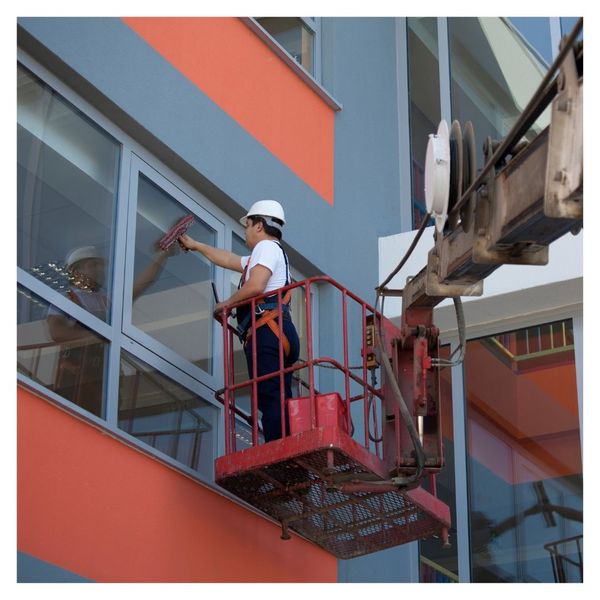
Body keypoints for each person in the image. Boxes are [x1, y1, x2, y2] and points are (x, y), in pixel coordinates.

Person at [178, 199, 300, 442]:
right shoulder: (269, 253)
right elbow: (229, 259)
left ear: (259, 225)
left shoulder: (265, 248)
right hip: (278, 329)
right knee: (279, 396)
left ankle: (280, 453)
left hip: (268, 330)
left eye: (247, 225)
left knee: (269, 394)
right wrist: (196, 245)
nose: (244, 231)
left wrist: (227, 304)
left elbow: (256, 286)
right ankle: (288, 449)